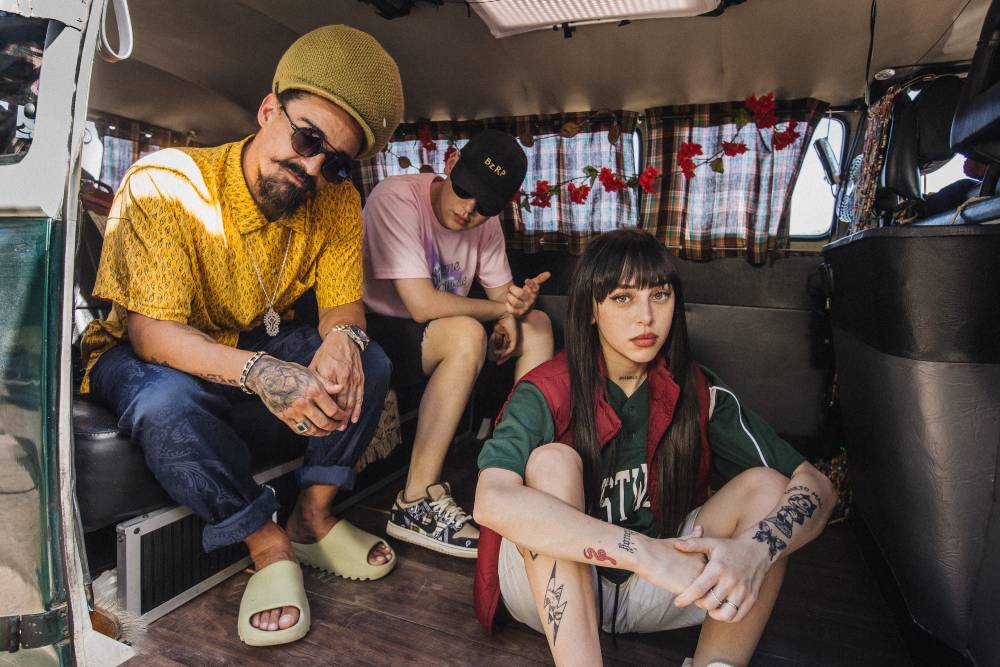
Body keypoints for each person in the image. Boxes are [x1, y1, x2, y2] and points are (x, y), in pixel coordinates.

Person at [79, 25, 404, 647]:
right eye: (308, 138)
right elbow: (152, 334)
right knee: (165, 403)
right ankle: (266, 541)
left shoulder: (337, 202)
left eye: (335, 162)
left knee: (373, 360)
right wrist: (260, 373)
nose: (313, 167)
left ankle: (311, 517)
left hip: (248, 340)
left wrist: (343, 341)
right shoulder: (168, 180)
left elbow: (343, 306)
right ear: (268, 109)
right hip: (147, 350)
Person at [473, 229, 838, 666]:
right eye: (623, 298)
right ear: (591, 309)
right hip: (556, 588)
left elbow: (817, 486)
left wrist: (755, 552)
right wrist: (643, 553)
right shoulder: (546, 390)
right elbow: (490, 501)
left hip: (663, 586)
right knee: (552, 462)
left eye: (659, 295)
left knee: (769, 488)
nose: (645, 317)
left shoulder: (698, 390)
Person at [362, 129, 554, 558]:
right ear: (450, 165)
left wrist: (515, 310)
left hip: (438, 328)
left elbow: (503, 295)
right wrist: (501, 311)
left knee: (539, 325)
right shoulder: (396, 198)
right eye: (464, 190)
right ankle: (414, 501)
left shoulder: (486, 225)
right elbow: (421, 305)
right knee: (468, 332)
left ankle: (517, 472)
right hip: (379, 329)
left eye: (485, 205)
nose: (469, 210)